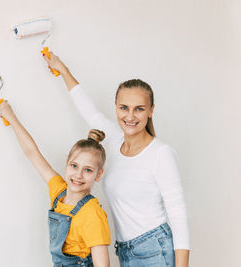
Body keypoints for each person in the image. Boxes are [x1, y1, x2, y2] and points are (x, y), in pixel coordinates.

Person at [42, 52, 190, 267]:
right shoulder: (112, 138)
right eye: (124, 108)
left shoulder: (161, 154)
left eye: (139, 109)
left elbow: (178, 215)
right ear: (116, 107)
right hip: (125, 251)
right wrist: (62, 70)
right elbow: (87, 109)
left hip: (155, 251)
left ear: (151, 111)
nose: (130, 116)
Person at [0, 100, 111, 267]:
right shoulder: (59, 191)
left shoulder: (92, 213)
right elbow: (32, 153)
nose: (78, 175)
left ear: (98, 174)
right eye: (74, 166)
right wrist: (11, 118)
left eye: (88, 170)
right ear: (67, 163)